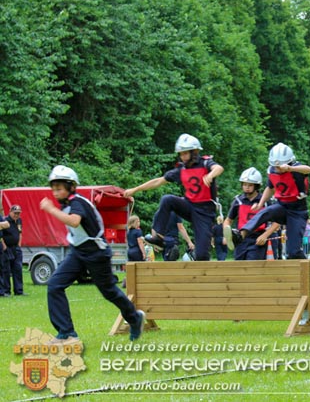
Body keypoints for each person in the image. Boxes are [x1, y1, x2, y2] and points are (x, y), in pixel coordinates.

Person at [40, 165, 145, 343]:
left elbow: (74, 221)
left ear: (71, 186)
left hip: (96, 253)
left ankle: (135, 318)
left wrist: (50, 209)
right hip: (78, 251)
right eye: (53, 188)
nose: (55, 192)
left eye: (59, 188)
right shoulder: (67, 204)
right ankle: (67, 333)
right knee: (55, 285)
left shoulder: (77, 202)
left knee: (109, 291)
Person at [124, 133, 224, 261]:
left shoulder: (205, 163)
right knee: (167, 200)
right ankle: (159, 238)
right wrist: (135, 189)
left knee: (202, 254)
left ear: (194, 152)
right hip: (189, 205)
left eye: (185, 154)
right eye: (181, 154)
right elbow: (158, 181)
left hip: (204, 212)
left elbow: (218, 168)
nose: (182, 157)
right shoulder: (181, 169)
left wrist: (210, 176)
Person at [227, 143, 310, 260]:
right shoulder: (272, 171)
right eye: (275, 166)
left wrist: (290, 168)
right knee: (266, 211)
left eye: (279, 167)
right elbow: (270, 188)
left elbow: (308, 169)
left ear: (288, 162)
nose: (277, 169)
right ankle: (241, 234)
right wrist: (260, 204)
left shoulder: (296, 168)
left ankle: (304, 263)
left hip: (297, 211)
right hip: (282, 206)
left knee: (293, 252)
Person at [224, 167, 280, 260]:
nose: (247, 187)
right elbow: (228, 220)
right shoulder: (238, 201)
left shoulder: (265, 201)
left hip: (258, 239)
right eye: (245, 184)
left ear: (256, 186)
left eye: (250, 185)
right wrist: (226, 235)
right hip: (240, 239)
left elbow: (277, 222)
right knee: (239, 266)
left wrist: (265, 235)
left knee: (252, 266)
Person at [2, 205, 24, 295]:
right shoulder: (4, 221)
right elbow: (1, 235)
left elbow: (20, 233)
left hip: (16, 248)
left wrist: (19, 245)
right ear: (10, 212)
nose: (16, 215)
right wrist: (4, 247)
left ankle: (19, 291)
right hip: (7, 248)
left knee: (18, 269)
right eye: (15, 213)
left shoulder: (19, 221)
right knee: (6, 270)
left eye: (18, 213)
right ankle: (6, 291)